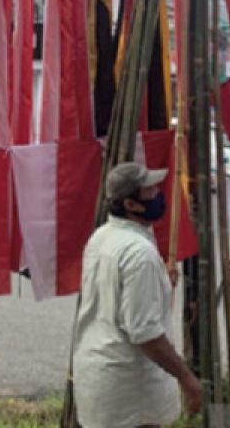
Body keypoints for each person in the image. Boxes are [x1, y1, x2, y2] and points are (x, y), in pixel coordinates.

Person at [73, 162, 204, 428]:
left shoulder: (102, 237)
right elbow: (145, 333)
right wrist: (187, 378)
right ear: (131, 205)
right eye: (149, 191)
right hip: (129, 386)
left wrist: (161, 284)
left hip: (99, 374)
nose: (157, 193)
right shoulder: (139, 253)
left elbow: (120, 296)